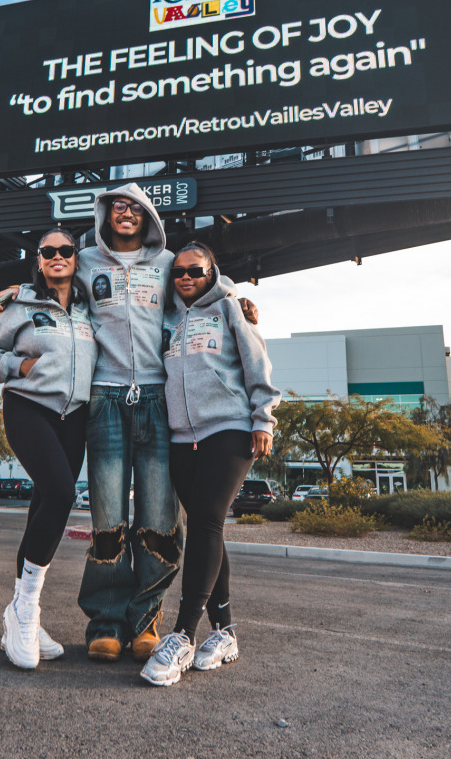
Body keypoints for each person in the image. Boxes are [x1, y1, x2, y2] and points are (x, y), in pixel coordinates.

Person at [0, 183, 259, 663]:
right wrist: (15, 291)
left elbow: (203, 283)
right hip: (105, 400)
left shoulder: (168, 262)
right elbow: (51, 281)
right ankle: (106, 621)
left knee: (159, 519)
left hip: (158, 400)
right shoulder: (86, 261)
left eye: (135, 207)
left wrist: (236, 297)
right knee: (108, 518)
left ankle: (146, 619)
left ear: (149, 216)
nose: (126, 213)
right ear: (105, 215)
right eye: (117, 206)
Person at [140, 241, 279, 687]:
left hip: (230, 428)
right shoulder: (166, 318)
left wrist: (263, 420)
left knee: (206, 522)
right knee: (206, 528)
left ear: (211, 272)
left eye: (195, 270)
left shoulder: (231, 308)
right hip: (182, 438)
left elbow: (257, 364)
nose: (185, 277)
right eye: (178, 271)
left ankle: (183, 635)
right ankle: (225, 633)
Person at [0, 229, 97, 670]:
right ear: (40, 260)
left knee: (43, 505)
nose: (58, 255)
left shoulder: (89, 310)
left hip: (74, 416)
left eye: (66, 250)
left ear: (76, 259)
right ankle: (25, 610)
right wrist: (20, 364)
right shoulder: (21, 306)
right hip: (29, 408)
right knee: (61, 495)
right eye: (49, 251)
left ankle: (22, 612)